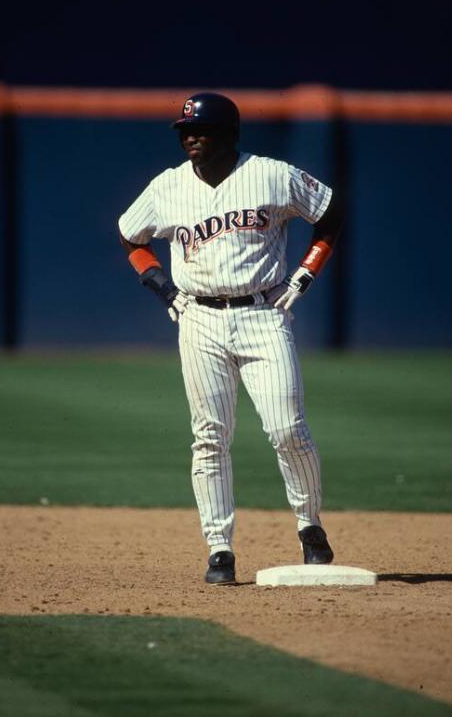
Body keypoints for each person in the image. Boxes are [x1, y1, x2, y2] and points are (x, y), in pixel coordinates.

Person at [118, 92, 342, 585]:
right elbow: (131, 236)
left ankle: (310, 527)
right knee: (209, 437)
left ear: (231, 134)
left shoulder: (272, 174)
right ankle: (219, 549)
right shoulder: (167, 187)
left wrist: (305, 273)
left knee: (288, 430)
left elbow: (330, 213)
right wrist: (160, 286)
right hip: (198, 319)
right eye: (185, 131)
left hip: (264, 314)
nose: (191, 137)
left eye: (203, 130)